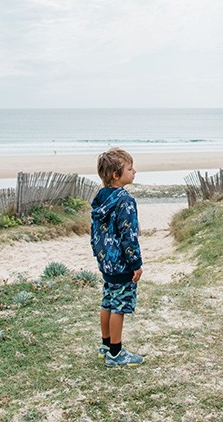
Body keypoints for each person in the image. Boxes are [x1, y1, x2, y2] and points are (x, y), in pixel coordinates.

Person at [90, 147, 144, 367]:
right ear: (116, 175)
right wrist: (136, 264)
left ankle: (105, 344)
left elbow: (95, 233)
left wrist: (100, 256)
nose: (135, 172)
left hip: (106, 260)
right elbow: (128, 236)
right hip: (121, 263)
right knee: (118, 307)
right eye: (130, 169)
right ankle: (115, 353)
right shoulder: (125, 201)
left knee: (108, 302)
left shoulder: (101, 200)